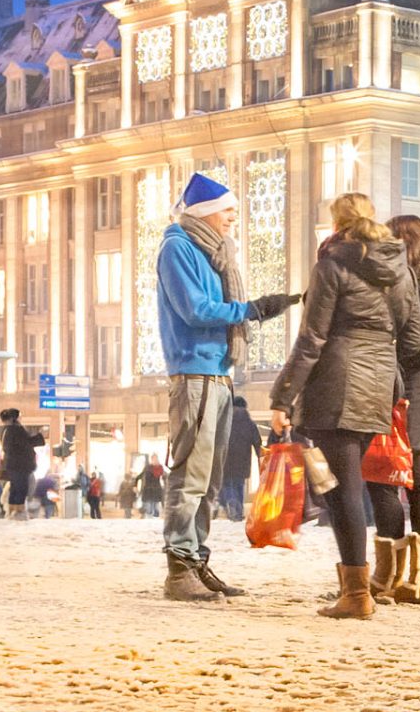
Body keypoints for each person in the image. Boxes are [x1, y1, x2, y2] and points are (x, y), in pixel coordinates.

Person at [272, 190, 420, 621]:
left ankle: (357, 595)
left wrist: (283, 397)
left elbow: (312, 338)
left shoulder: (333, 263)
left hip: (334, 385)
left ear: (337, 224)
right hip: (378, 386)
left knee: (341, 493)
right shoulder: (402, 270)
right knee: (351, 487)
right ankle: (357, 588)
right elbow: (412, 340)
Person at [150, 171, 295, 600]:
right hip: (194, 373)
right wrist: (248, 309)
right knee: (190, 474)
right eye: (228, 210)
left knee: (210, 479)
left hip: (218, 374)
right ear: (207, 212)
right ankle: (179, 567)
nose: (234, 217)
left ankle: (197, 559)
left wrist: (253, 309)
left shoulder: (214, 252)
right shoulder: (177, 247)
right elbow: (195, 309)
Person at [371, 212, 420, 606]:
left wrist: (387, 366)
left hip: (417, 391)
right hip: (397, 388)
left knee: (419, 481)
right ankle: (395, 577)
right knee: (389, 478)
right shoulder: (401, 283)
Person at [218, 396, 258, 522]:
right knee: (239, 485)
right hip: (243, 461)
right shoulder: (250, 423)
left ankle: (231, 503)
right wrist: (261, 458)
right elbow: (257, 441)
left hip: (225, 459)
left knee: (227, 484)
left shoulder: (223, 421)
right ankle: (238, 511)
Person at [0, 408, 40, 516]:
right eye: (19, 416)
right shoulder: (16, 430)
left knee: (15, 487)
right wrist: (39, 438)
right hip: (20, 465)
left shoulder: (6, 430)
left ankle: (12, 510)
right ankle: (18, 511)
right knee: (21, 487)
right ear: (14, 418)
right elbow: (25, 443)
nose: (21, 418)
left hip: (13, 464)